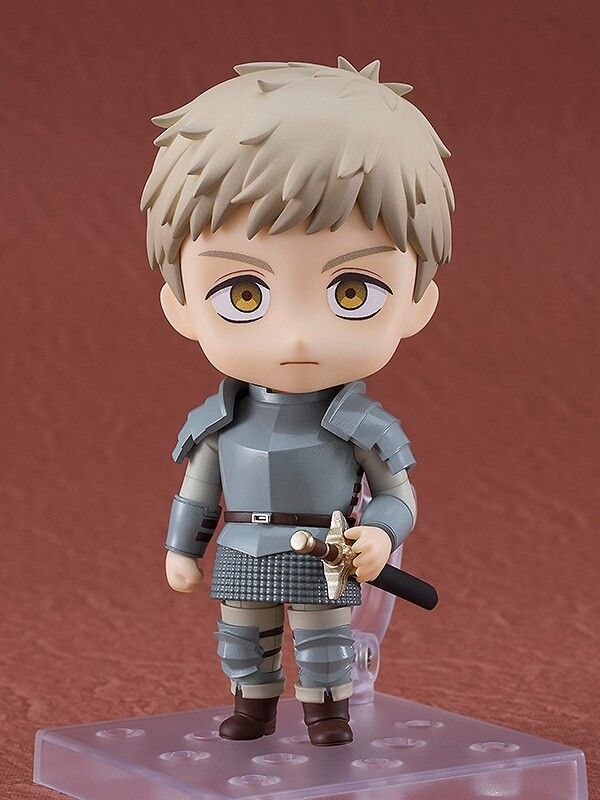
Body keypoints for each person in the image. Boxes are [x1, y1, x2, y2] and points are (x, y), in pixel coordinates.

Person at [141, 56, 454, 746]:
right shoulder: (222, 421)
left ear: (416, 301)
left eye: (351, 291)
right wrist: (180, 548)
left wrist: (380, 534)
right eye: (243, 293)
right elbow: (198, 492)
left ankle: (326, 712)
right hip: (243, 546)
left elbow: (397, 495)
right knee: (242, 637)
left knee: (324, 641)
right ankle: (252, 707)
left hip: (326, 552)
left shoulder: (358, 425)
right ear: (181, 304)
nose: (297, 335)